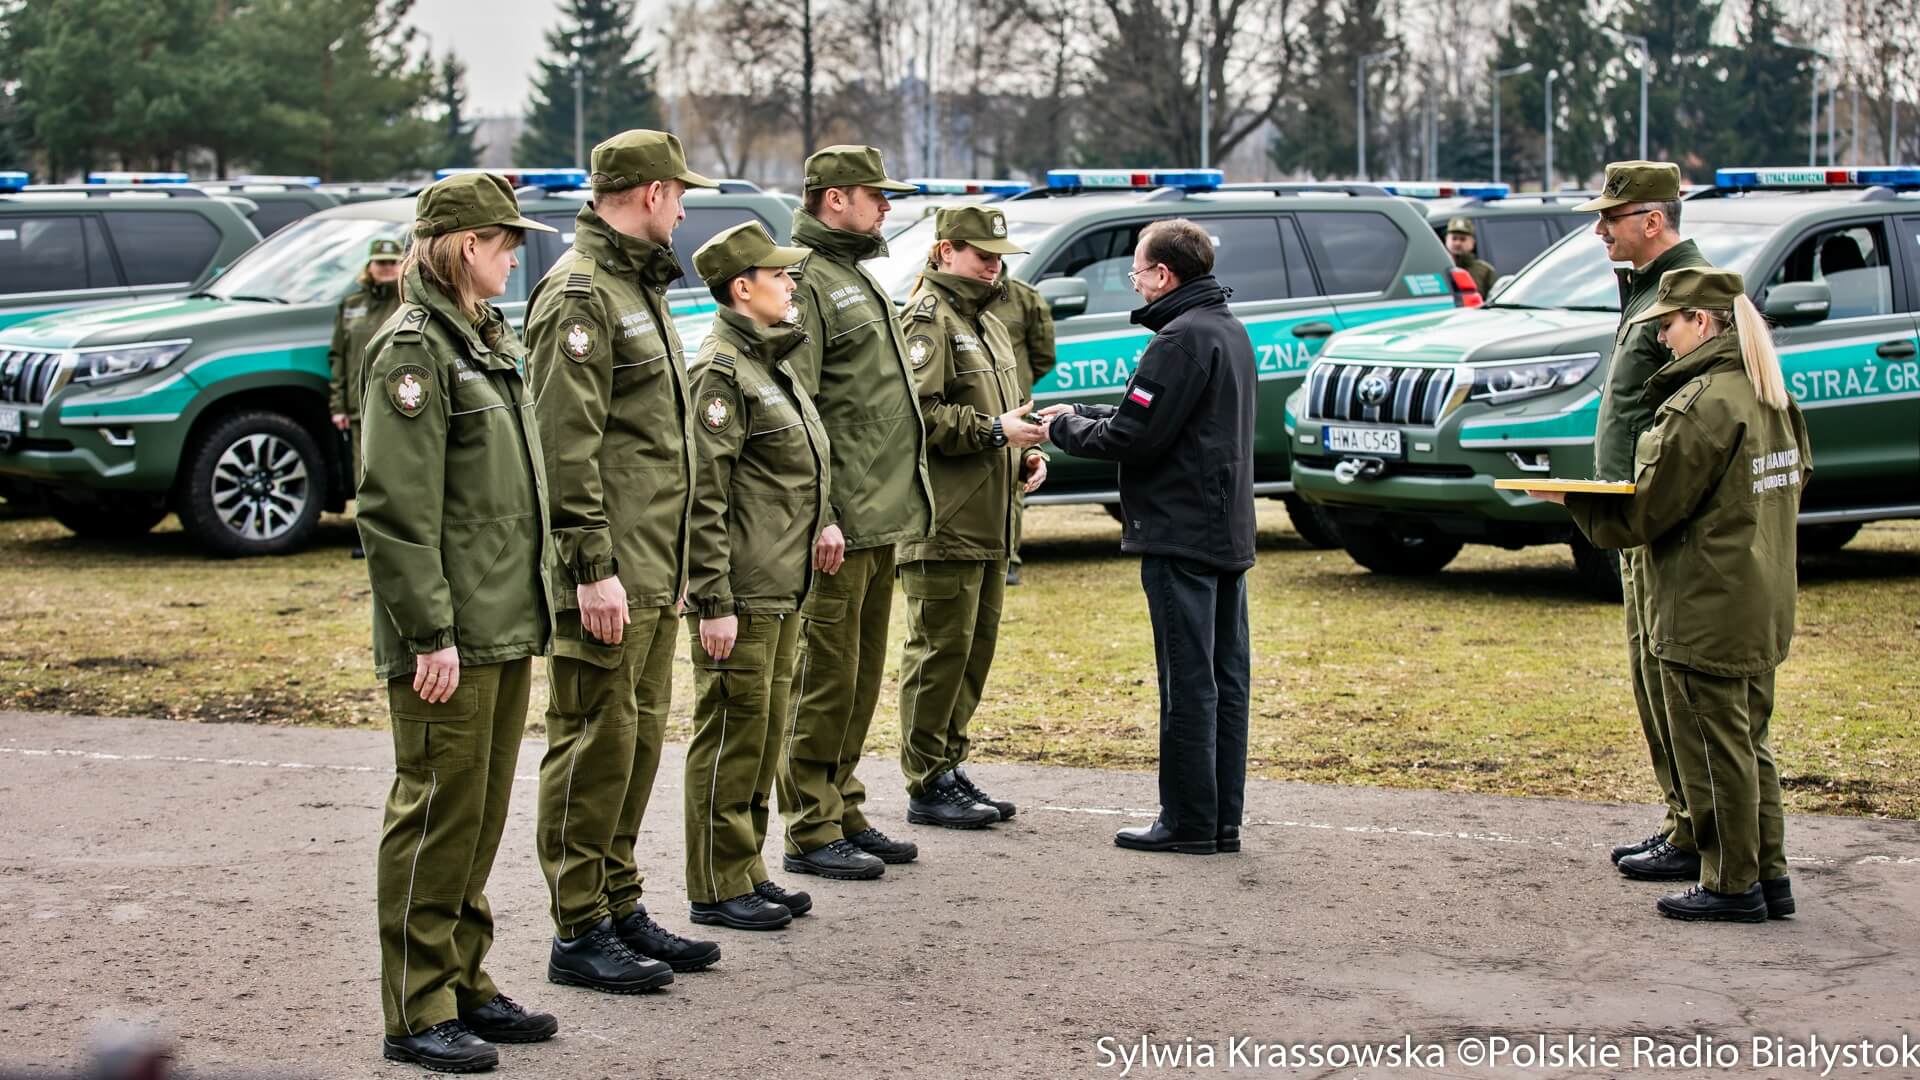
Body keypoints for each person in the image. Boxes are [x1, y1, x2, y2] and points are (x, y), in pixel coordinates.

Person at [356, 172, 561, 1073]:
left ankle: (463, 977)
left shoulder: (484, 339)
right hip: (450, 631)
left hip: (503, 617)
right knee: (435, 812)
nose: (515, 253)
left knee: (477, 816)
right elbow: (393, 509)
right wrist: (428, 630)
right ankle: (415, 1007)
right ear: (463, 246)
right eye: (503, 239)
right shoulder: (415, 352)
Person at [1531, 267, 1808, 923]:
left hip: (1704, 603)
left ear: (1703, 323)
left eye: (1670, 324)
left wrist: (1575, 505)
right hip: (1758, 596)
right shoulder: (1768, 393)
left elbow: (1647, 511)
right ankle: (1768, 875)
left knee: (1713, 750)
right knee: (1750, 744)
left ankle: (1732, 883)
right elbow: (1800, 476)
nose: (1663, 338)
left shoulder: (1702, 404)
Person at [525, 130, 721, 991]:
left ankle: (616, 900)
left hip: (652, 564)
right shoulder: (580, 295)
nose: (683, 209)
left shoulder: (636, 289)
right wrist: (588, 565)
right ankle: (577, 927)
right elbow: (567, 448)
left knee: (635, 739)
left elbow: (656, 444)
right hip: (609, 570)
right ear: (648, 194)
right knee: (594, 740)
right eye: (678, 194)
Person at [1039, 218, 1255, 855]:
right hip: (1223, 528)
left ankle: (1186, 822)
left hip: (1180, 531)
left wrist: (1062, 431)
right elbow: (1162, 415)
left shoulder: (1179, 339)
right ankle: (1219, 819)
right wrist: (1086, 413)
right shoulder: (1225, 329)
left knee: (1187, 680)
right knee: (1224, 677)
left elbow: (1134, 436)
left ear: (1164, 275)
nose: (1135, 283)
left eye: (1137, 272)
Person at [777, 145, 936, 880]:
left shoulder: (852, 275)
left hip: (878, 517)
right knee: (826, 676)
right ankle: (810, 825)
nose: (887, 206)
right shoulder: (807, 279)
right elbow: (797, 407)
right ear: (834, 199)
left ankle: (841, 802)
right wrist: (822, 513)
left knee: (861, 674)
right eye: (876, 193)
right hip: (839, 521)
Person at [681, 221, 836, 930]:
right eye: (780, 276)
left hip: (781, 580)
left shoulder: (769, 361)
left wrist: (825, 517)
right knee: (732, 734)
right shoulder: (721, 369)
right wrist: (712, 597)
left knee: (765, 730)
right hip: (740, 587)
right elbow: (704, 492)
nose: (793, 283)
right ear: (742, 288)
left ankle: (746, 866)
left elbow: (798, 467)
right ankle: (716, 883)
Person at [1571, 161, 1712, 884]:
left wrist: (1653, 500)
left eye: (1611, 219)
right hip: (1634, 511)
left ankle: (1704, 834)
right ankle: (1682, 821)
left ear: (1652, 221)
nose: (1599, 230)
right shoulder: (1646, 291)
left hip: (1662, 514)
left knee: (1675, 680)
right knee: (1649, 676)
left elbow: (1698, 416)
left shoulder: (1688, 296)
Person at [895, 205, 1048, 829]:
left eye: (999, 255)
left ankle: (948, 764)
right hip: (945, 523)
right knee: (938, 653)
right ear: (945, 251)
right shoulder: (928, 321)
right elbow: (916, 420)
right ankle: (925, 779)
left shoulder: (985, 320)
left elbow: (1003, 410)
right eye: (983, 255)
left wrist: (1025, 452)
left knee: (971, 652)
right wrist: (993, 431)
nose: (995, 265)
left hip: (989, 518)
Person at [328, 236, 404, 558]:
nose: (386, 269)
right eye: (381, 263)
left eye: (392, 263)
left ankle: (399, 536)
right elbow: (339, 357)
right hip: (359, 405)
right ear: (369, 266)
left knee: (398, 471)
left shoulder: (406, 299)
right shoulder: (351, 304)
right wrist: (338, 404)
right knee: (365, 474)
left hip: (397, 402)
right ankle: (367, 538)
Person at [988, 277, 1057, 586]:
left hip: (1013, 402)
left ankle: (1008, 558)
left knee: (1014, 477)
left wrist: (1018, 384)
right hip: (975, 400)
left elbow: (1044, 355)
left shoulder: (1023, 297)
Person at [1443, 217, 1497, 296]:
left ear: (1472, 243)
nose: (1458, 243)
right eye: (1454, 238)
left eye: (1463, 239)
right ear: (1446, 240)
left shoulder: (1485, 271)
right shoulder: (1439, 268)